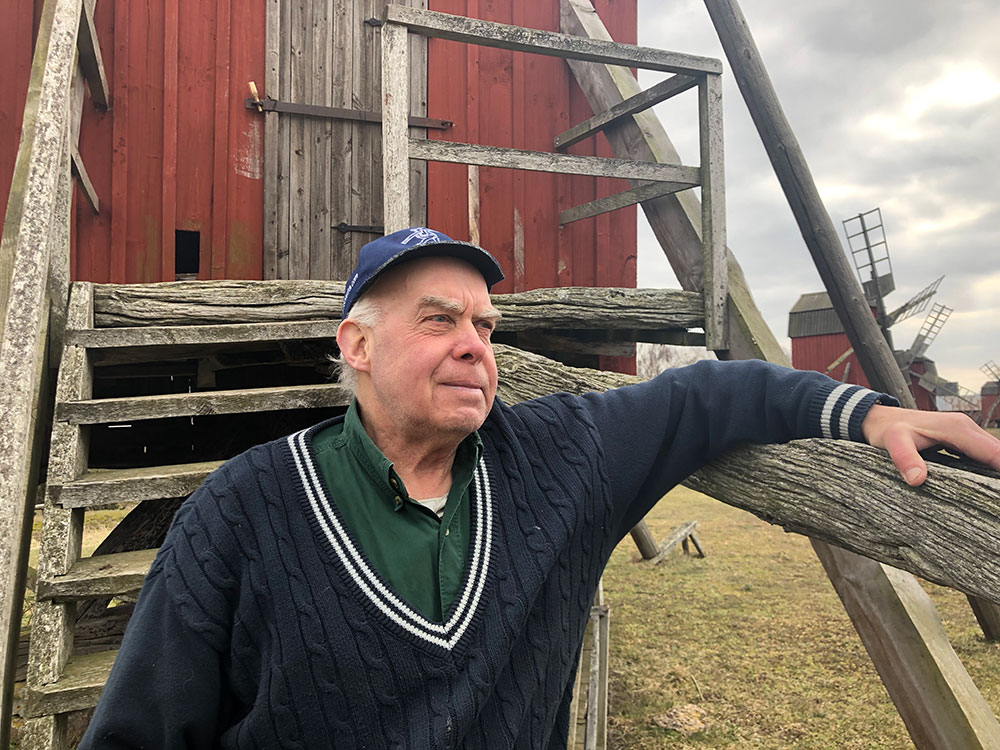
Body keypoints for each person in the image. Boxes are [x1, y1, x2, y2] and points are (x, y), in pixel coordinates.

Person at [80, 227, 1000, 749]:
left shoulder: (563, 458)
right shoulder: (242, 510)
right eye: (437, 319)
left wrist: (873, 414)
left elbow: (711, 393)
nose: (476, 342)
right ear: (355, 346)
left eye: (484, 322)